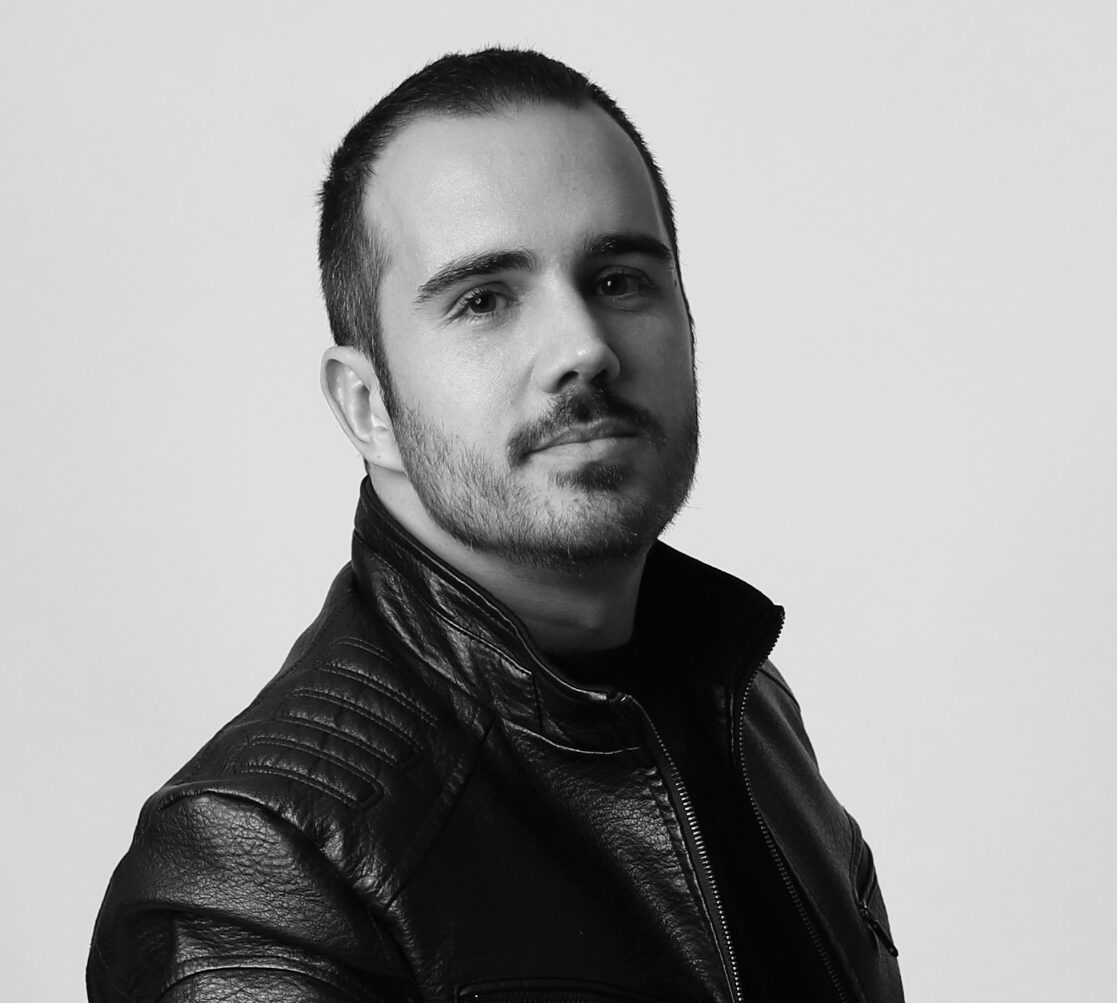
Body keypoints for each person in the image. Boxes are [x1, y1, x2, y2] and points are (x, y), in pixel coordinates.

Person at [88, 48, 902, 1003]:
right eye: (483, 300)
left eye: (618, 280)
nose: (582, 348)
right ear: (367, 405)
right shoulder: (257, 876)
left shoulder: (747, 700)